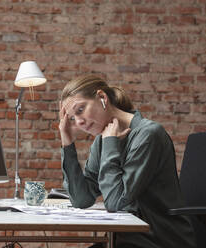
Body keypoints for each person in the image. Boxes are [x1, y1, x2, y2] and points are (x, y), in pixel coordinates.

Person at [58, 75, 197, 248]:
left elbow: (116, 203)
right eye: (72, 118)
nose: (79, 122)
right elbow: (81, 200)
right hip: (126, 239)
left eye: (80, 110)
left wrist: (110, 144)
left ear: (102, 98)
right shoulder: (102, 141)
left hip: (159, 238)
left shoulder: (148, 135)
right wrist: (67, 142)